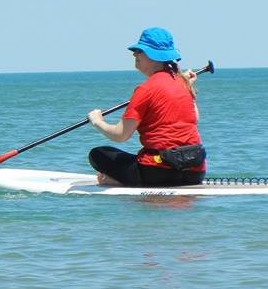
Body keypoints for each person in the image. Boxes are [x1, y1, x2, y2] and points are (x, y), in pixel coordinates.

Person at [87, 27, 205, 187]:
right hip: (195, 173)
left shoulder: (145, 89)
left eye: (140, 51)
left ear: (154, 56)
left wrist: (97, 122)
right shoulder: (183, 83)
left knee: (98, 154)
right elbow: (194, 118)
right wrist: (188, 87)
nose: (134, 54)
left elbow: (121, 135)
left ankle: (115, 181)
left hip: (156, 173)